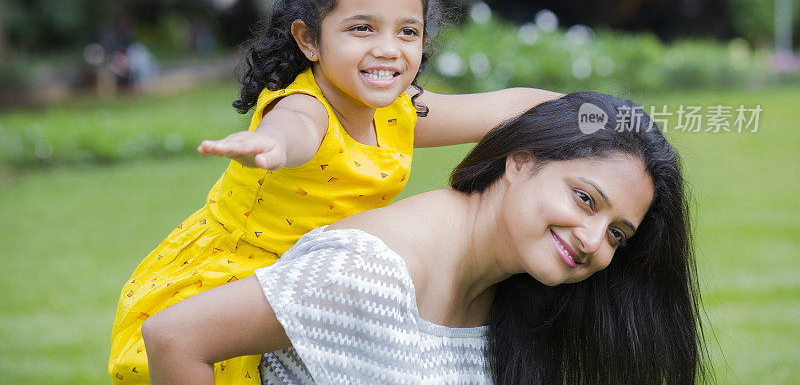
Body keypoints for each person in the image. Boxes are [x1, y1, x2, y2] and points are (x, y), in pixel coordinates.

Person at [108, 0, 559, 383]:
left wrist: (601, 114)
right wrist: (270, 143)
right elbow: (296, 130)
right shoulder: (308, 106)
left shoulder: (400, 111)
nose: (388, 48)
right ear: (310, 40)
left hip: (315, 285)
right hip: (232, 281)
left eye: (407, 32)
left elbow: (505, 107)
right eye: (362, 28)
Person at [141, 92, 711, 384]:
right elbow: (175, 336)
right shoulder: (370, 272)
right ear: (519, 160)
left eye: (618, 233)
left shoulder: (515, 293)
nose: (592, 240)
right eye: (585, 199)